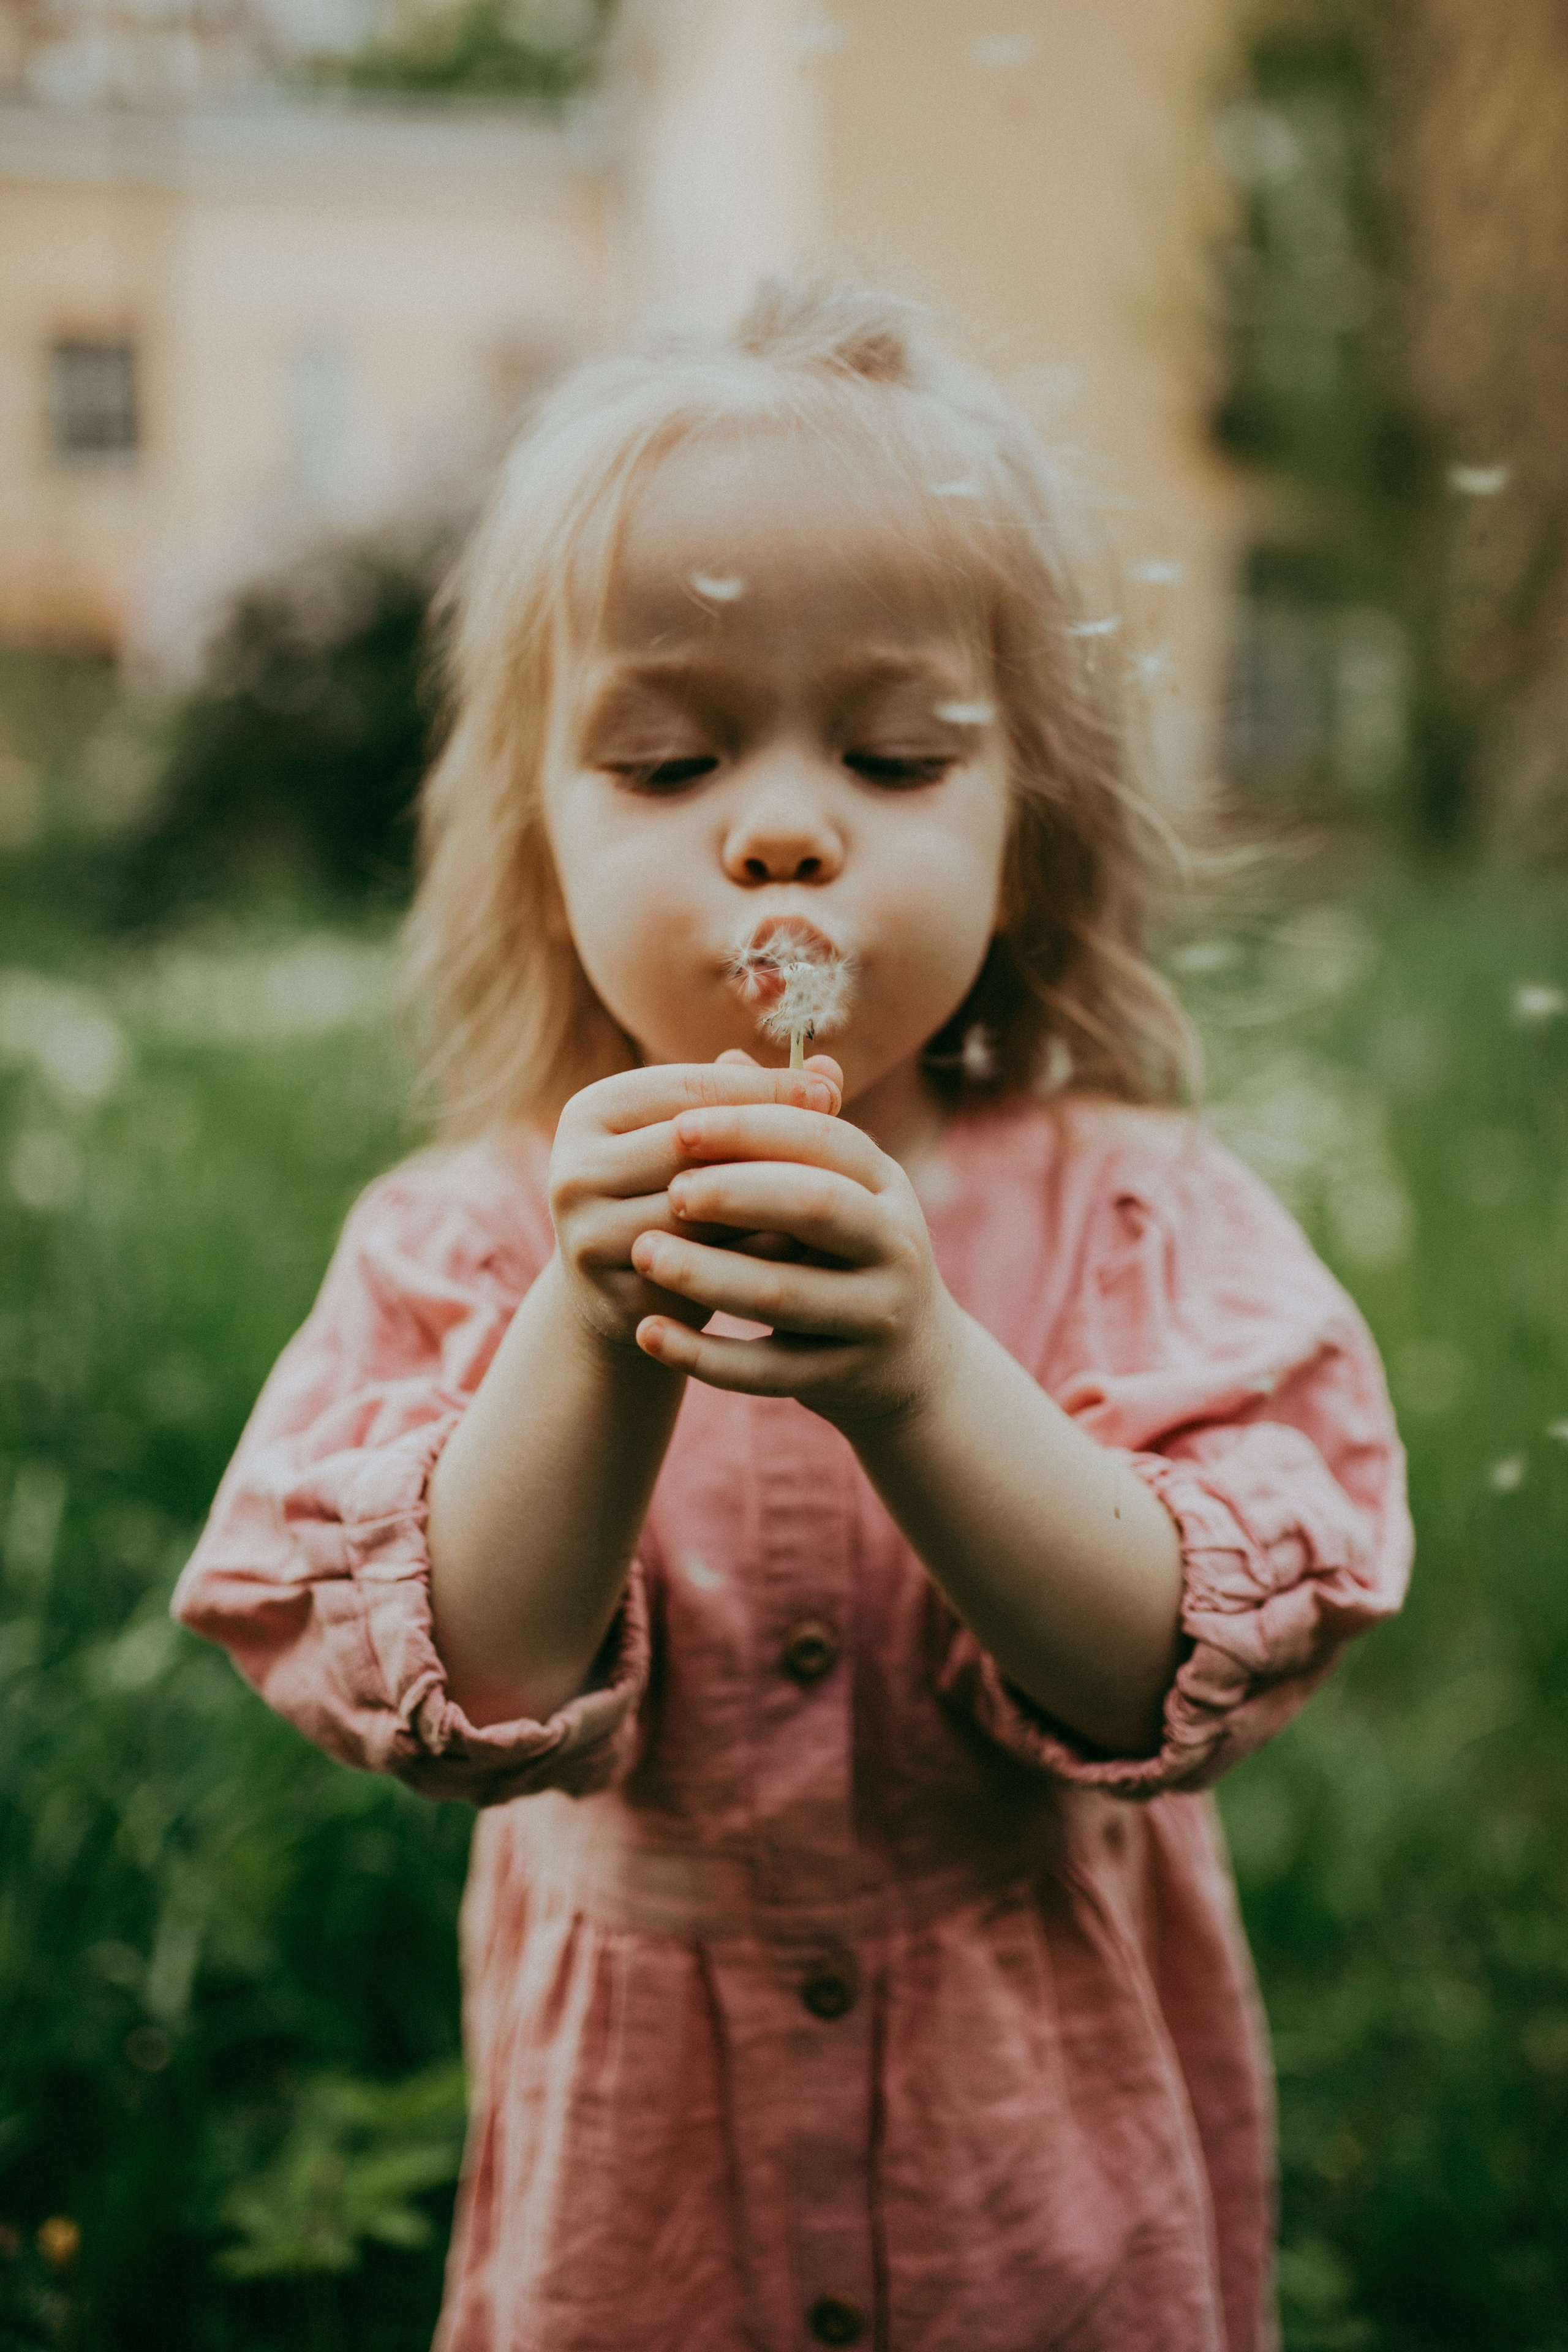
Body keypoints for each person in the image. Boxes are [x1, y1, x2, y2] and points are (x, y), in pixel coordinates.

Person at [172, 280, 1411, 2352]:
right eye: (666, 758)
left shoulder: (1134, 1217)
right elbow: (465, 1689)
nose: (777, 826)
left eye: (893, 751)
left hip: (1034, 2198)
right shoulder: (462, 1247)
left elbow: (1160, 1683)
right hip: (656, 2220)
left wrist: (927, 1378)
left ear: (1024, 834)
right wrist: (583, 1329)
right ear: (541, 839)